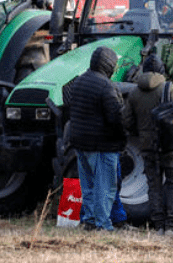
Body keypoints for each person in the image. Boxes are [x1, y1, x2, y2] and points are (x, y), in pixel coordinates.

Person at [123, 54, 173, 238]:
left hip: (147, 146)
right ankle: (172, 228)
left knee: (153, 185)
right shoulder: (169, 88)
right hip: (170, 146)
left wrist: (142, 133)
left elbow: (126, 121)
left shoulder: (134, 92)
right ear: (161, 70)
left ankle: (159, 226)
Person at [66, 46, 125, 232]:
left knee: (89, 186)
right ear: (109, 65)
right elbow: (115, 117)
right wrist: (123, 137)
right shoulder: (106, 86)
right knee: (105, 188)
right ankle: (103, 225)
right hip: (102, 144)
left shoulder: (78, 81)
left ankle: (89, 221)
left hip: (80, 143)